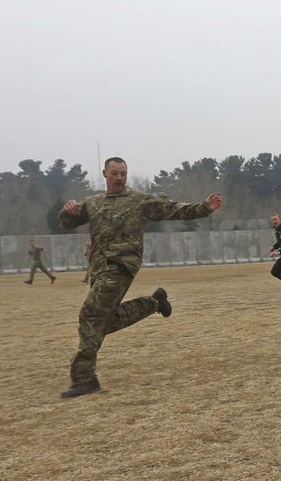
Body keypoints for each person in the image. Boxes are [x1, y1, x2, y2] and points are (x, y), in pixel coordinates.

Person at [58, 157, 222, 398]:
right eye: (114, 173)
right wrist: (68, 211)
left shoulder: (138, 201)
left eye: (123, 173)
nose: (120, 177)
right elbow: (66, 223)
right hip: (99, 268)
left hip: (121, 265)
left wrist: (204, 207)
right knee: (104, 322)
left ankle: (85, 378)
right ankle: (155, 302)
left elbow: (173, 209)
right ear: (105, 174)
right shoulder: (92, 203)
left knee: (90, 314)